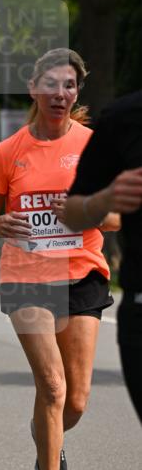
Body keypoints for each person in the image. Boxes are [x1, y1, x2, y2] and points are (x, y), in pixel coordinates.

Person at [0, 48, 119, 470]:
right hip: (27, 275)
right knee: (52, 387)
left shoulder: (95, 146)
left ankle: (46, 441)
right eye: (51, 84)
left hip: (82, 273)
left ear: (77, 92)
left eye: (69, 85)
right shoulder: (8, 152)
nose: (60, 93)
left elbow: (118, 218)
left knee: (74, 401)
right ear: (33, 88)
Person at [57, 91, 142, 422]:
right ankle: (48, 433)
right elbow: (73, 211)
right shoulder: (124, 116)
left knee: (74, 398)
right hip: (139, 302)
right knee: (60, 389)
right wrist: (105, 198)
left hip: (86, 275)